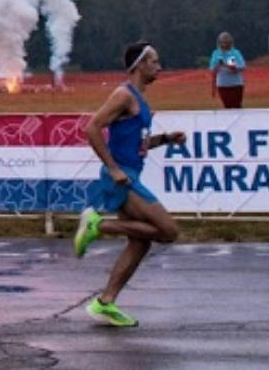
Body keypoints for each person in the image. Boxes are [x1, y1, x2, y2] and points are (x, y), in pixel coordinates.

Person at [73, 43, 185, 328]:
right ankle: (98, 226)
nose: (159, 67)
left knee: (141, 242)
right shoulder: (123, 94)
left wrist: (167, 139)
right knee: (169, 231)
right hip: (121, 177)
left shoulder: (140, 100)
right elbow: (92, 128)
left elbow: (140, 144)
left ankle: (105, 303)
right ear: (139, 65)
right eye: (154, 62)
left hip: (131, 173)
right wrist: (113, 169)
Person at [209, 34, 246, 109]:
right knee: (227, 106)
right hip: (223, 84)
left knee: (237, 105)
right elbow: (212, 68)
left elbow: (242, 66)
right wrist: (218, 66)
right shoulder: (216, 53)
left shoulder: (235, 53)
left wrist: (234, 68)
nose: (224, 44)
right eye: (222, 42)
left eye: (226, 42)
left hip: (236, 84)